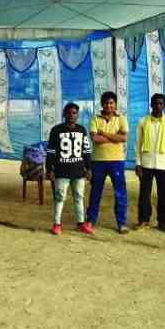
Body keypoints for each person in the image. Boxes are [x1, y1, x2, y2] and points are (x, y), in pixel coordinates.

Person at [46, 103, 94, 235]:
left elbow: (86, 151)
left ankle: (81, 223)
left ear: (77, 115)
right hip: (61, 171)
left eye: (74, 113)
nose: (71, 115)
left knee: (79, 197)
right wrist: (49, 169)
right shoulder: (56, 130)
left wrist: (89, 168)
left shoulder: (81, 130)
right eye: (69, 113)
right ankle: (56, 224)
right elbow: (50, 152)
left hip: (79, 172)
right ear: (64, 114)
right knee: (60, 197)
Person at [87, 91, 130, 234]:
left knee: (120, 192)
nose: (109, 105)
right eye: (106, 103)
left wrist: (104, 133)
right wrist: (115, 137)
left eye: (111, 103)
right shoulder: (95, 119)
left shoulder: (121, 119)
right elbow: (95, 139)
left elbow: (124, 138)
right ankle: (91, 220)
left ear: (115, 104)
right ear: (102, 104)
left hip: (116, 161)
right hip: (98, 161)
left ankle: (121, 223)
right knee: (95, 191)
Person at [134, 93, 165, 233]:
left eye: (160, 103)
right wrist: (138, 163)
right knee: (144, 194)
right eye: (155, 103)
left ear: (164, 105)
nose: (157, 106)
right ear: (151, 104)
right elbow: (137, 144)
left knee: (164, 195)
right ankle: (143, 221)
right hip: (146, 164)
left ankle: (163, 222)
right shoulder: (143, 122)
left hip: (164, 165)